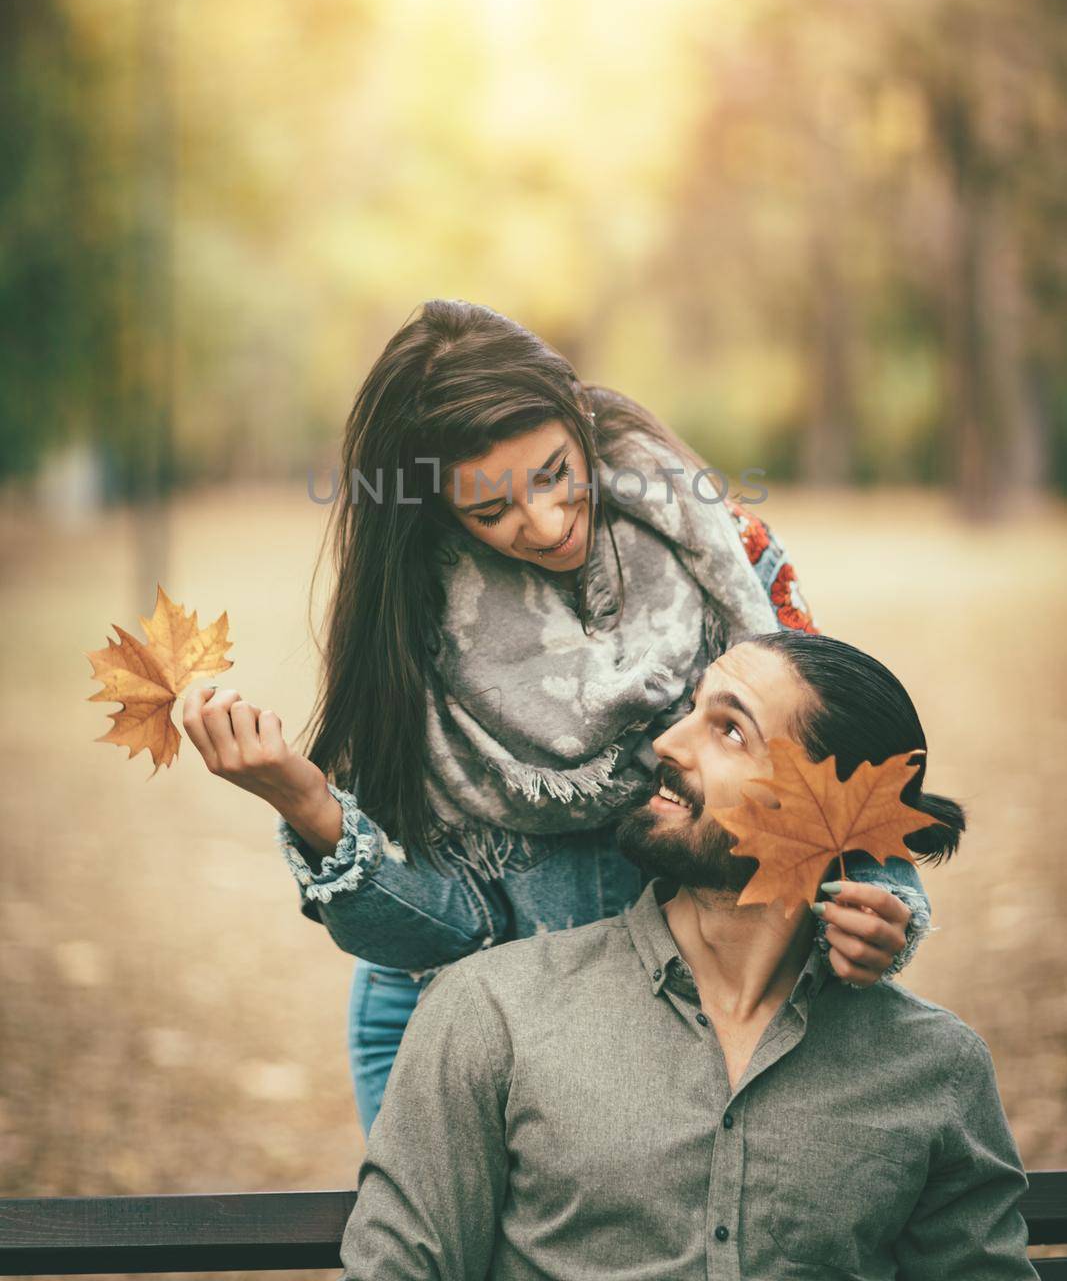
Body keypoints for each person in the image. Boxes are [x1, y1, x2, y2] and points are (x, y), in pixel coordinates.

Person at [180, 300, 929, 1134]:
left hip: (697, 1009)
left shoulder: (726, 553)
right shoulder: (413, 638)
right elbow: (450, 924)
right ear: (437, 514)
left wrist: (882, 906)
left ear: (578, 415)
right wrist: (305, 803)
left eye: (551, 473)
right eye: (491, 511)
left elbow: (830, 766)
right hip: (472, 1022)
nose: (543, 524)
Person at [339, 631, 1037, 1281]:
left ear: (831, 815)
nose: (667, 743)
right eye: (690, 712)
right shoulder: (493, 1013)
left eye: (729, 729)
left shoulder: (932, 1067)